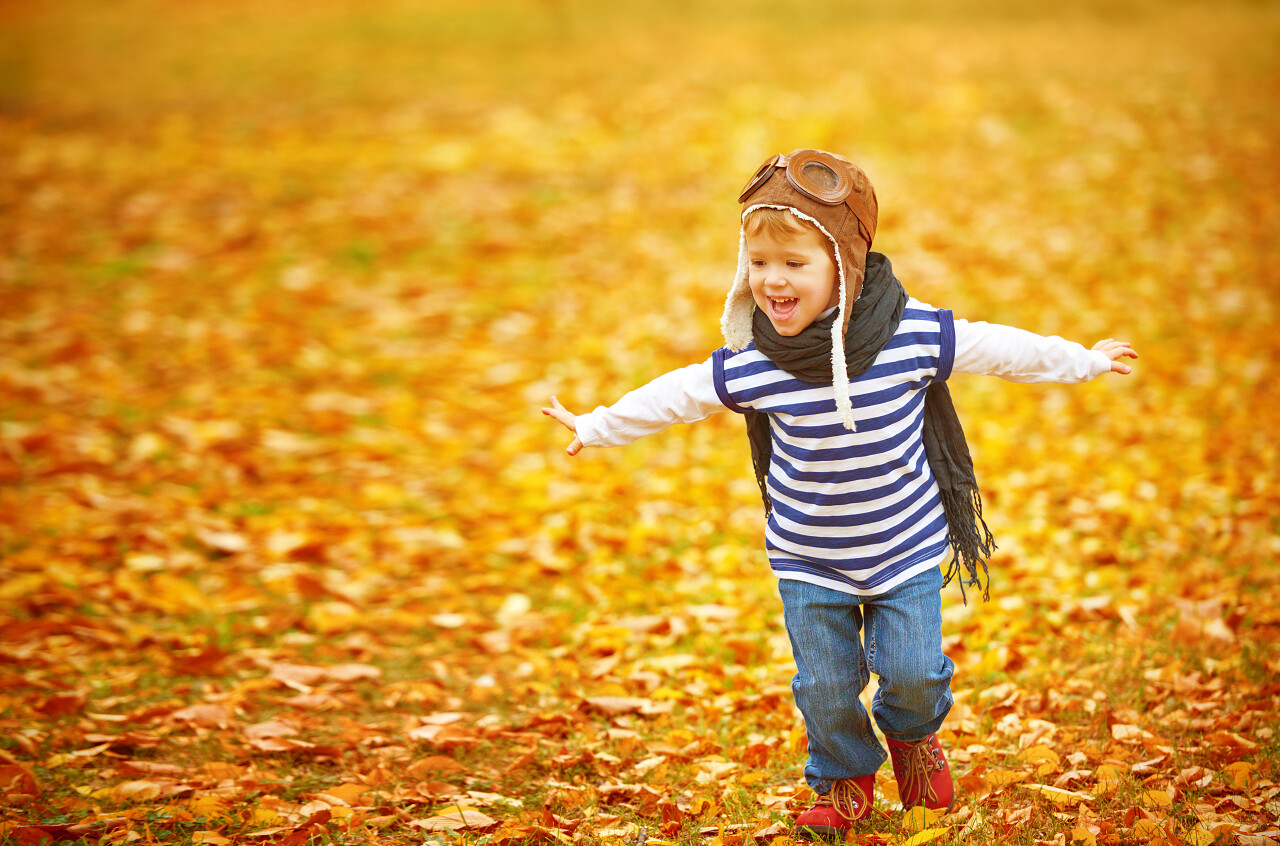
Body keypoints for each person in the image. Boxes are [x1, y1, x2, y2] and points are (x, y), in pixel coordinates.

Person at [542, 149, 1137, 839]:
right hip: (809, 557)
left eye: (794, 263)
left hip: (904, 546)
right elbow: (678, 394)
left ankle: (913, 738)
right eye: (759, 262)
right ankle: (844, 778)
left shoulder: (910, 335)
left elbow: (999, 348)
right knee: (824, 688)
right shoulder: (758, 363)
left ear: (844, 267)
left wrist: (1082, 360)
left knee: (913, 673)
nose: (773, 279)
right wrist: (598, 425)